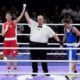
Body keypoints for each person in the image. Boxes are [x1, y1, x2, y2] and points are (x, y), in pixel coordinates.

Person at [25, 10, 63, 76]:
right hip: (33, 45)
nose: (39, 20)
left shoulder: (47, 28)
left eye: (41, 19)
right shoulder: (33, 24)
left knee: (44, 59)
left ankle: (45, 71)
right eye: (38, 19)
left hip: (43, 45)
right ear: (37, 20)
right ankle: (34, 71)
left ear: (43, 20)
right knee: (34, 59)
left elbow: (54, 35)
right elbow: (27, 18)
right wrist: (25, 10)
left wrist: (59, 41)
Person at [1, 4, 26, 73]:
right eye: (7, 16)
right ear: (6, 17)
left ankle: (15, 69)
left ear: (11, 17)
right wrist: (6, 29)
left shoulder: (14, 22)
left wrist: (24, 9)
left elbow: (20, 17)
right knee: (7, 55)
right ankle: (8, 69)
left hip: (13, 40)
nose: (8, 17)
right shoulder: (4, 24)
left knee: (14, 56)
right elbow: (2, 35)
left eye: (9, 16)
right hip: (6, 40)